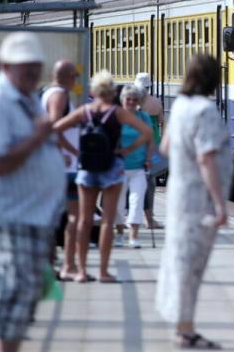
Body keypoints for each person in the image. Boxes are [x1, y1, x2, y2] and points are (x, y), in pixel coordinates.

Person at [0, 32, 64, 352]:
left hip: (33, 215)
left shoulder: (25, 97)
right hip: (8, 213)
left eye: (36, 69)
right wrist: (37, 137)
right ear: (5, 67)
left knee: (25, 294)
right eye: (26, 70)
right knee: (9, 290)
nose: (33, 75)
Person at [156, 55, 233, 349]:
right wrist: (220, 205)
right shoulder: (205, 110)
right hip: (198, 200)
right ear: (214, 79)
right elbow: (206, 158)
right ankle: (184, 330)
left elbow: (165, 147)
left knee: (179, 260)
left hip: (179, 195)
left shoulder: (179, 107)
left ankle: (182, 325)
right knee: (191, 266)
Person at [53, 71, 152, 283]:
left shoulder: (84, 111)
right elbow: (147, 132)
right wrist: (127, 149)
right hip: (112, 167)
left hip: (86, 167)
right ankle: (103, 271)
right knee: (107, 220)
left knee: (84, 219)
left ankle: (80, 271)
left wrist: (74, 151)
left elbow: (56, 129)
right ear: (111, 92)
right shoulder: (118, 112)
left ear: (94, 91)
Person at [40, 60, 81, 280]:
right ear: (66, 76)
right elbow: (55, 126)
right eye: (75, 76)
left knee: (52, 217)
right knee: (74, 217)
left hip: (55, 165)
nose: (76, 80)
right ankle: (68, 265)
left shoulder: (47, 93)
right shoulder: (60, 95)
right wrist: (69, 151)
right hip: (65, 168)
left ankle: (51, 264)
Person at [113, 85, 154, 249]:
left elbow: (151, 141)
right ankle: (120, 234)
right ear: (122, 100)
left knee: (137, 201)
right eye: (128, 99)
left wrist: (149, 159)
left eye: (134, 100)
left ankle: (133, 236)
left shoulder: (144, 117)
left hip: (138, 167)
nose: (131, 102)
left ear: (139, 102)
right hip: (119, 167)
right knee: (118, 203)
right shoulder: (116, 116)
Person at [134, 72, 164, 230]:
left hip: (136, 144)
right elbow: (160, 122)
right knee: (150, 183)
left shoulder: (133, 104)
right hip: (153, 145)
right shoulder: (157, 102)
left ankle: (132, 217)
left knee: (133, 182)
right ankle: (149, 218)